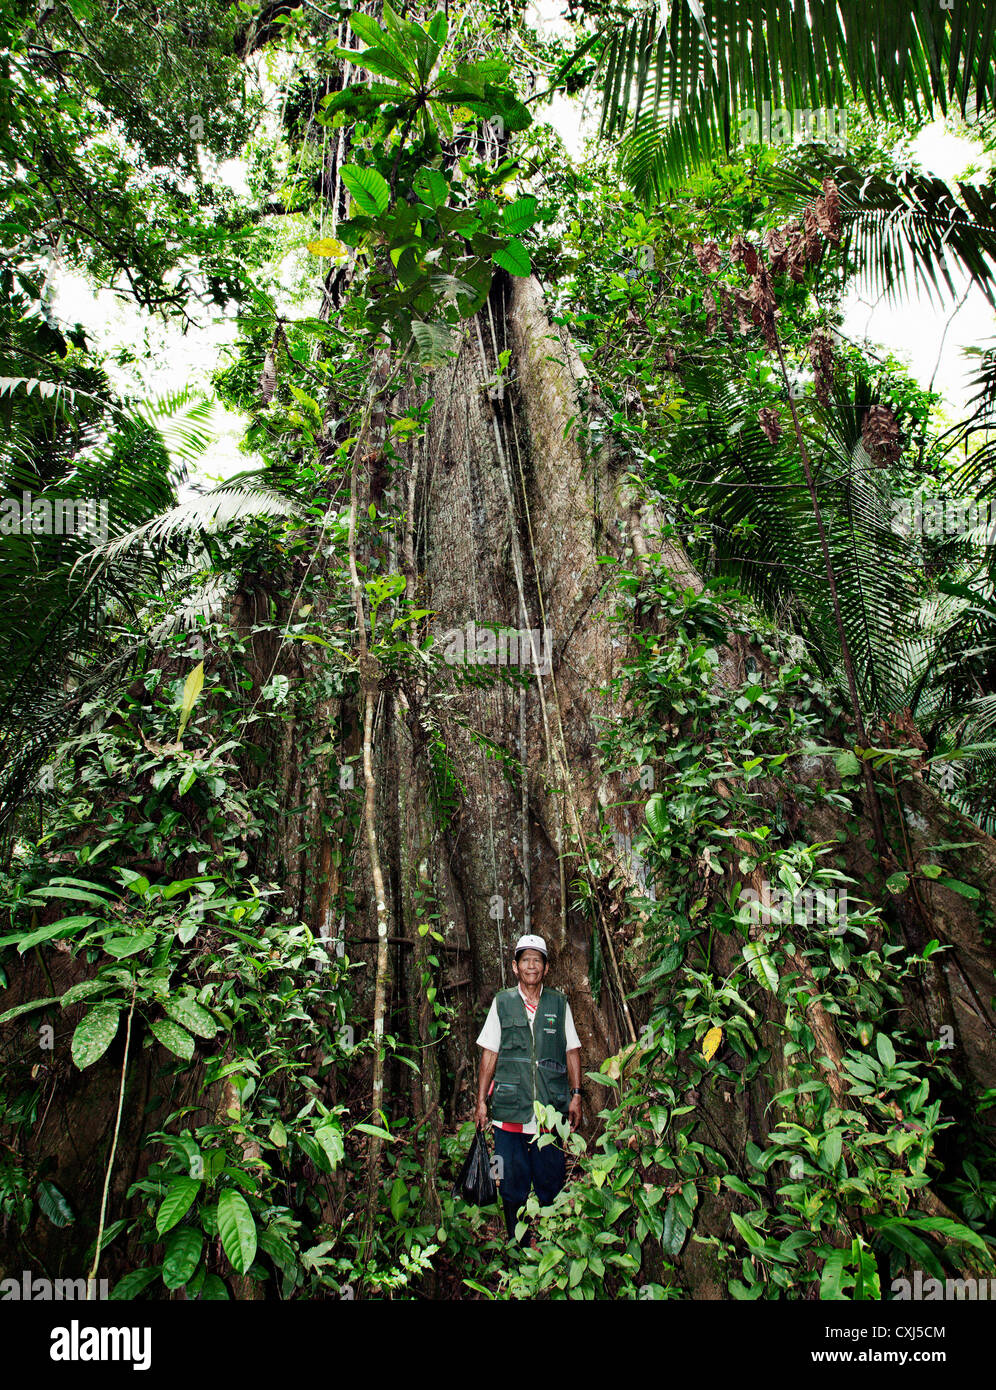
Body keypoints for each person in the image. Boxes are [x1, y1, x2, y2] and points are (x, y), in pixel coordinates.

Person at [475, 934, 582, 1241]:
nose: (531, 966)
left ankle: (552, 1245)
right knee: (509, 1182)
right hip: (509, 1112)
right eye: (526, 960)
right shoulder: (502, 1002)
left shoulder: (559, 1004)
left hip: (549, 1112)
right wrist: (482, 1101)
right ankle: (515, 1244)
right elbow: (489, 1053)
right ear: (515, 966)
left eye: (537, 960)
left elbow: (572, 1050)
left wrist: (576, 1095)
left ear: (546, 968)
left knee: (550, 1181)